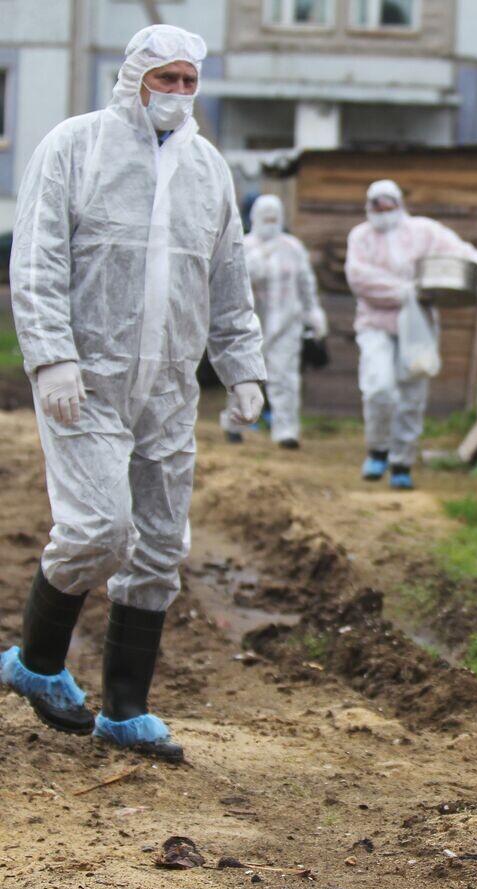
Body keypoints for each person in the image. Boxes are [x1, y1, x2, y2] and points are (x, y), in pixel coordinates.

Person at [1, 25, 266, 762]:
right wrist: (51, 357)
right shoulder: (75, 147)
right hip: (86, 381)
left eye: (190, 81)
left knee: (157, 548)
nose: (178, 94)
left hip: (170, 389)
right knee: (97, 529)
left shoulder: (208, 170)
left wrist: (242, 367)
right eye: (166, 79)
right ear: (134, 78)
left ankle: (125, 708)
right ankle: (37, 661)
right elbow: (39, 258)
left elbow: (227, 281)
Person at [345, 179, 477, 489]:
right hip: (376, 324)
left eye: (389, 205)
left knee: (412, 394)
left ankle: (402, 462)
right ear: (369, 208)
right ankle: (378, 449)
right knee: (378, 387)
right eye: (377, 206)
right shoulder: (361, 237)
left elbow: (459, 252)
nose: (383, 212)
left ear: (399, 204)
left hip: (419, 325)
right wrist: (404, 291)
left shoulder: (423, 231)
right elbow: (360, 279)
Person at [221, 194, 327, 449]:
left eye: (274, 217)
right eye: (265, 216)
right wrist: (261, 257)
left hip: (287, 322)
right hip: (251, 325)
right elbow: (237, 281)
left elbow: (305, 283)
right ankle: (234, 423)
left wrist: (314, 312)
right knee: (244, 375)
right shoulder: (243, 246)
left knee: (285, 379)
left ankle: (286, 431)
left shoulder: (292, 247)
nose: (270, 221)